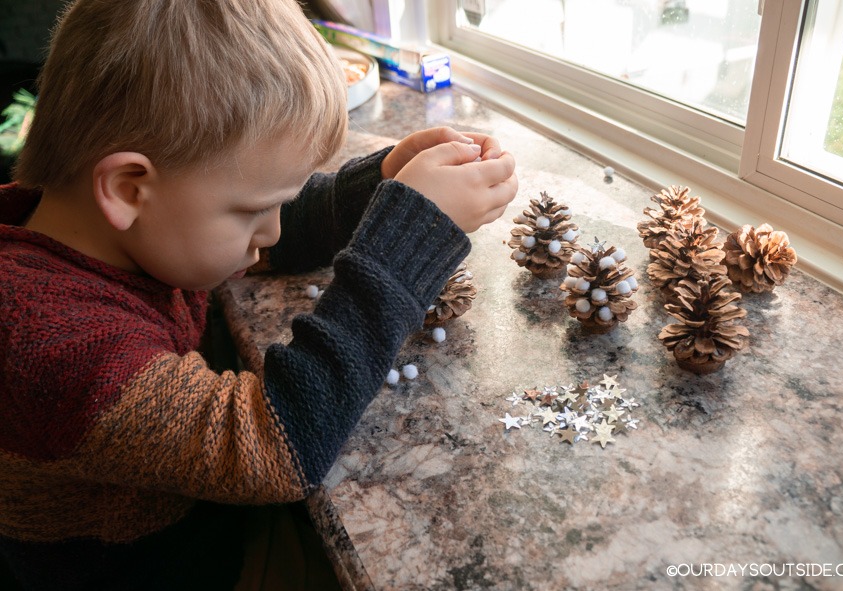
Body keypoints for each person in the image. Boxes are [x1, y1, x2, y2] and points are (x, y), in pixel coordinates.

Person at [0, 0, 518, 589]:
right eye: (253, 210)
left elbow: (262, 234)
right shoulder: (48, 339)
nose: (270, 230)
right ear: (127, 187)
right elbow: (276, 446)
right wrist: (404, 246)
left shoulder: (110, 230)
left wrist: (378, 187)